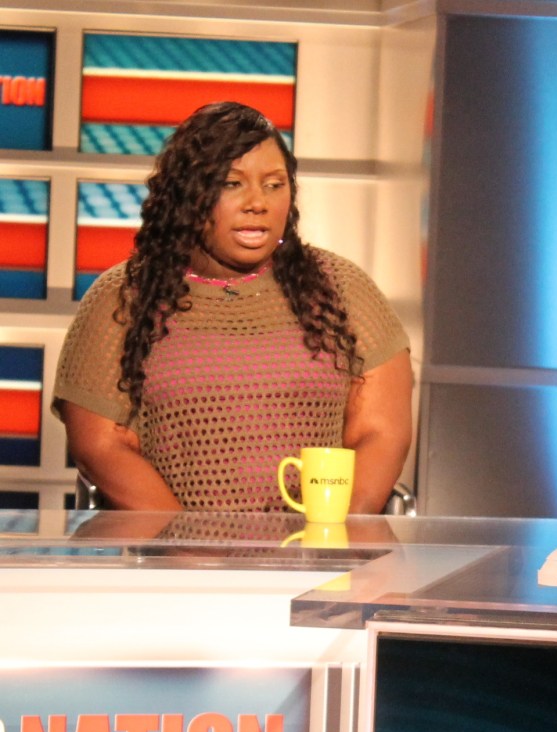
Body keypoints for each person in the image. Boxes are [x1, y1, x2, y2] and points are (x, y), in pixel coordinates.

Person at [53, 101, 413, 515]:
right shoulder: (124, 297)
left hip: (316, 557)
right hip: (174, 564)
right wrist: (186, 544)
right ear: (188, 195)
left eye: (274, 185)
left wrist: (330, 536)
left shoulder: (341, 288)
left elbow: (380, 432)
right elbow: (101, 445)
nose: (257, 202)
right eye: (231, 183)